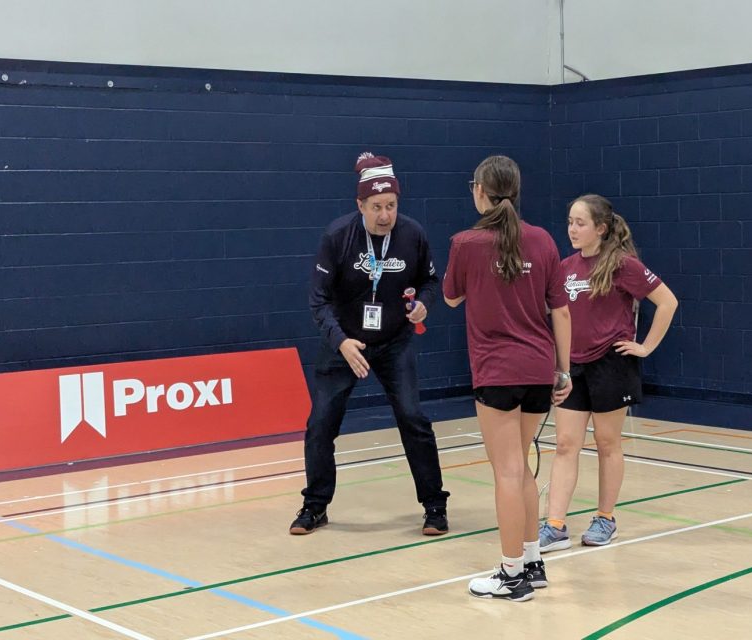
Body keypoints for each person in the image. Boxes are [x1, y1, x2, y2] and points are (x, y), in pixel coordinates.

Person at [290, 152, 450, 536]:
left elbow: (431, 281)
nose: (385, 215)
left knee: (413, 418)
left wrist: (424, 306)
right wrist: (341, 342)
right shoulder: (337, 237)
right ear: (359, 205)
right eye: (376, 206)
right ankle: (315, 505)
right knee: (320, 424)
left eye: (391, 205)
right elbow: (318, 300)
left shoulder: (413, 235)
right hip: (344, 342)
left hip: (394, 341)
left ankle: (434, 505)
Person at [443, 155, 572, 602]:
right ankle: (533, 560)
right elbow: (560, 309)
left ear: (480, 191)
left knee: (507, 471)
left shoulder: (466, 242)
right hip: (539, 369)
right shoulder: (543, 241)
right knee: (522, 466)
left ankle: (511, 575)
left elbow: (452, 297)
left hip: (497, 370)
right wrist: (565, 368)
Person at [539, 194, 677, 552]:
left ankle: (606, 518)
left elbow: (667, 302)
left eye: (580, 223)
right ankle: (554, 525)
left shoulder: (622, 265)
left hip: (612, 364)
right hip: (573, 366)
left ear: (600, 228)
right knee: (566, 444)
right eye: (569, 221)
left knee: (606, 443)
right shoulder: (564, 266)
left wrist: (644, 346)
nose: (572, 229)